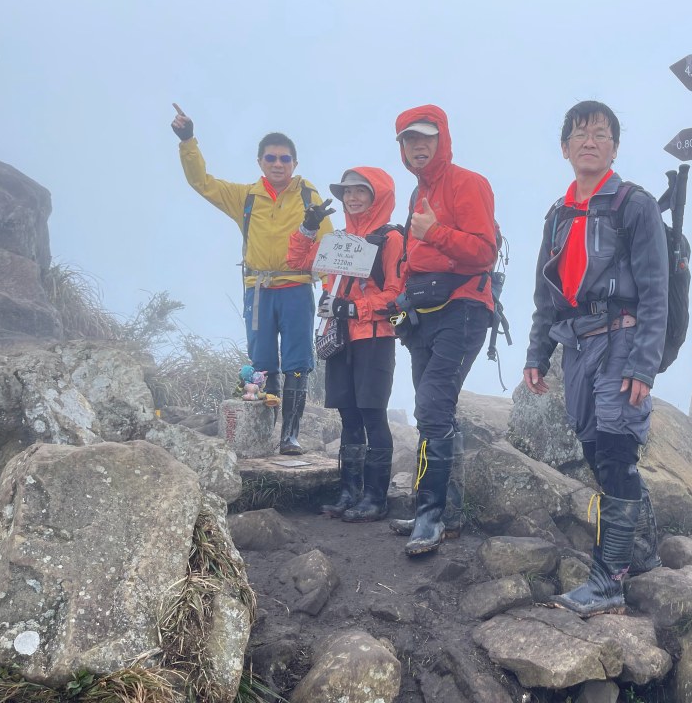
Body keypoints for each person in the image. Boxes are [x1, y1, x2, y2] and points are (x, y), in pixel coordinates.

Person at [523, 101, 669, 617]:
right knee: (593, 448)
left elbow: (655, 290)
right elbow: (546, 294)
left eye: (601, 134)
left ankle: (608, 583)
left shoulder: (635, 205)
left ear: (615, 148)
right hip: (577, 345)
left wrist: (643, 364)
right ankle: (641, 552)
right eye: (580, 134)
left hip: (621, 339)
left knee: (615, 451)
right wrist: (537, 352)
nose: (590, 141)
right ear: (565, 148)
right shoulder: (558, 215)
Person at [170, 103, 334, 455]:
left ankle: (290, 436)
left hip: (296, 287)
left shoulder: (309, 197)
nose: (278, 164)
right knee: (262, 362)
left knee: (298, 363)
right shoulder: (245, 197)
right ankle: (263, 435)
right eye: (271, 158)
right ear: (260, 162)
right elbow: (202, 182)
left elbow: (327, 247)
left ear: (295, 163)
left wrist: (329, 290)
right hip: (258, 290)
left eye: (285, 159)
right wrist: (187, 141)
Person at [388, 104, 497, 557]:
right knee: (435, 412)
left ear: (442, 139)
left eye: (426, 137)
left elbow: (485, 252)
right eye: (409, 139)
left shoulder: (469, 183)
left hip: (463, 308)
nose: (418, 146)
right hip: (424, 312)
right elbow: (413, 257)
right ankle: (443, 514)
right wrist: (400, 299)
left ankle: (429, 516)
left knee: (432, 406)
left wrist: (434, 233)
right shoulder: (418, 193)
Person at [286, 167, 403, 522]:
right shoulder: (337, 240)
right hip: (340, 338)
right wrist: (308, 227)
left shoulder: (390, 239)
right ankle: (349, 493)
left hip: (375, 337)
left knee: (373, 415)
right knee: (348, 415)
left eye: (360, 191)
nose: (352, 198)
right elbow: (298, 262)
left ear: (377, 195)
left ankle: (375, 498)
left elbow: (398, 293)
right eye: (347, 192)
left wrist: (352, 307)